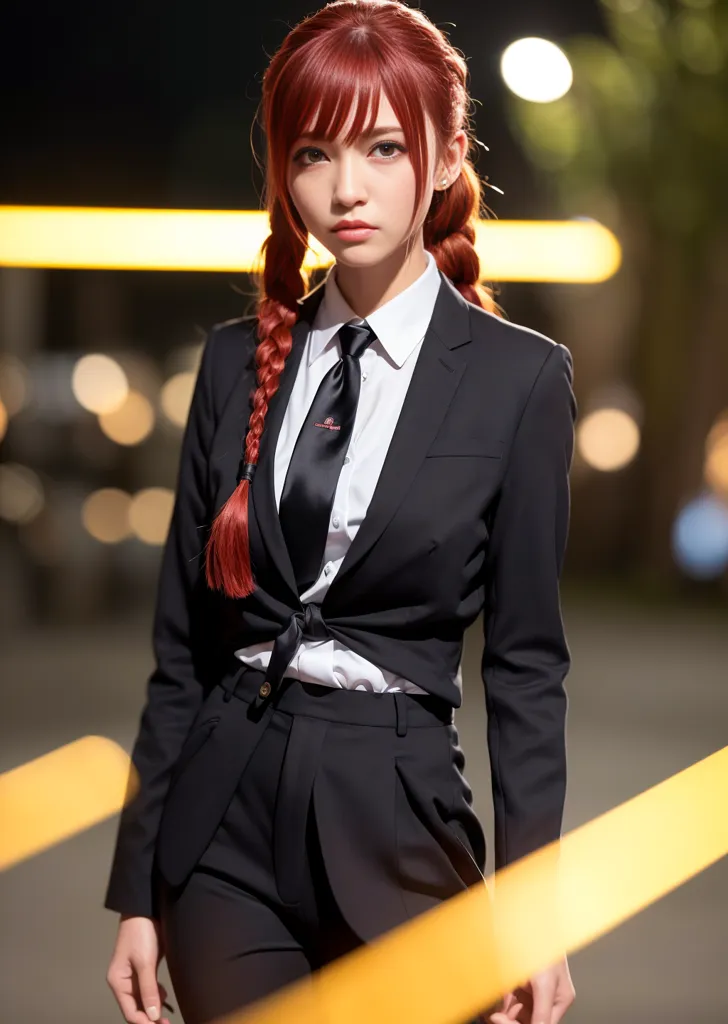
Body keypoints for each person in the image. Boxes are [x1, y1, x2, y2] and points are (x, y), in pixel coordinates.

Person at [105, 2, 577, 1023]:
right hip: (221, 825)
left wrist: (534, 914)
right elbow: (180, 651)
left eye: (381, 146)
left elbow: (526, 666)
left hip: (398, 817)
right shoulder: (235, 363)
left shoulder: (520, 381)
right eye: (311, 152)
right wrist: (136, 890)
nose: (344, 187)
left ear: (448, 155)